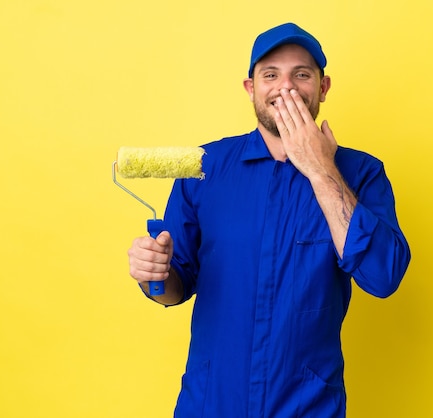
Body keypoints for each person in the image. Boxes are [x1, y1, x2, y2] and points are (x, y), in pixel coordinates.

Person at [127, 22, 411, 417]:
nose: (286, 87)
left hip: (308, 405)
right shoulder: (204, 169)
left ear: (323, 87)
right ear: (251, 88)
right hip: (210, 403)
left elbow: (383, 277)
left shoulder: (361, 173)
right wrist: (152, 277)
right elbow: (171, 290)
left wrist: (320, 170)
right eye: (271, 75)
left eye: (302, 74)